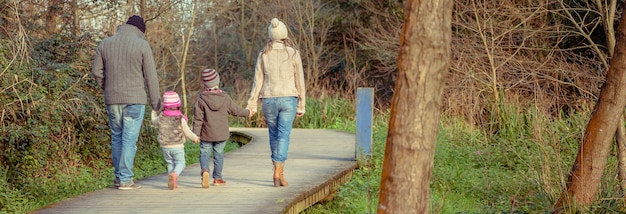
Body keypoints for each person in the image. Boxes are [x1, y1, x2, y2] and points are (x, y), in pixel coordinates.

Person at [91, 15, 161, 190]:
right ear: (140, 31)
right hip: (134, 100)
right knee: (129, 139)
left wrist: (107, 87)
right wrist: (156, 104)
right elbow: (151, 78)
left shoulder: (105, 43)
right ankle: (125, 179)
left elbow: (96, 72)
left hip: (112, 99)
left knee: (116, 137)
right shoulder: (142, 45)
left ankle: (118, 177)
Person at [246, 18, 306, 187]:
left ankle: (278, 171)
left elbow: (257, 81)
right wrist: (302, 104)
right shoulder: (293, 53)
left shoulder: (263, 54)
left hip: (268, 99)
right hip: (289, 98)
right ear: (285, 34)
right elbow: (299, 80)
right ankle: (278, 171)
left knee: (273, 135)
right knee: (284, 135)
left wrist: (252, 104)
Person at [192, 68, 252, 188]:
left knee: (204, 153)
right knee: (218, 155)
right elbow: (235, 110)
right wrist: (247, 112)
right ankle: (218, 178)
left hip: (206, 134)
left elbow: (198, 119)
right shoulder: (225, 97)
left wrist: (195, 134)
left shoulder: (201, 99)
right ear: (217, 82)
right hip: (221, 134)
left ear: (204, 84)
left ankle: (205, 171)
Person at [151, 91, 200, 190]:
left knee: (170, 163)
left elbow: (154, 121)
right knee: (181, 163)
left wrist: (153, 112)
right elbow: (187, 131)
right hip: (177, 146)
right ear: (178, 104)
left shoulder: (161, 117)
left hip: (165, 147)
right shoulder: (180, 118)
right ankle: (174, 175)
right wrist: (195, 138)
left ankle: (172, 181)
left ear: (165, 105)